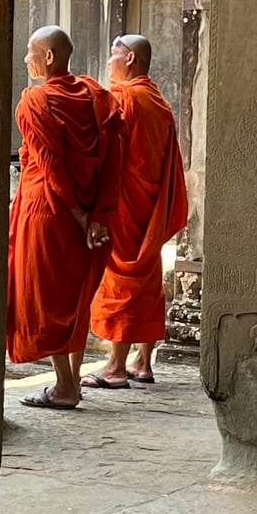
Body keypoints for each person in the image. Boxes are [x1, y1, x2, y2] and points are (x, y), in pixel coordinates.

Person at [7, 26, 124, 409]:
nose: (26, 59)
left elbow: (50, 165)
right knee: (74, 296)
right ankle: (71, 378)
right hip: (88, 209)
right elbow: (114, 162)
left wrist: (79, 216)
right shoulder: (97, 96)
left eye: (31, 52)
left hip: (49, 211)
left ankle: (64, 387)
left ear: (49, 57)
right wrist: (98, 216)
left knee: (45, 300)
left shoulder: (35, 101)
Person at [80, 34, 188, 390]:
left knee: (120, 276)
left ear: (130, 59)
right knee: (146, 274)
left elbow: (106, 149)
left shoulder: (125, 97)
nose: (109, 61)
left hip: (125, 201)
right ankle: (143, 361)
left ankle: (115, 366)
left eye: (114, 54)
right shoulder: (159, 102)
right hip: (150, 202)